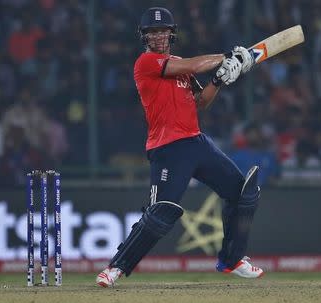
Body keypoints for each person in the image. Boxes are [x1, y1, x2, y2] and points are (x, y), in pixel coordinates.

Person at [96, 7, 263, 287]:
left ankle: (232, 260)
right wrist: (227, 58)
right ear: (144, 37)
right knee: (161, 212)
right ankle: (115, 268)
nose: (159, 36)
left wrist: (220, 79)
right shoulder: (146, 63)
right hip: (168, 147)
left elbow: (200, 102)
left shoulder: (180, 64)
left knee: (244, 194)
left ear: (171, 34)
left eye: (163, 31)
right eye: (153, 32)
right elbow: (195, 65)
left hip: (197, 142)